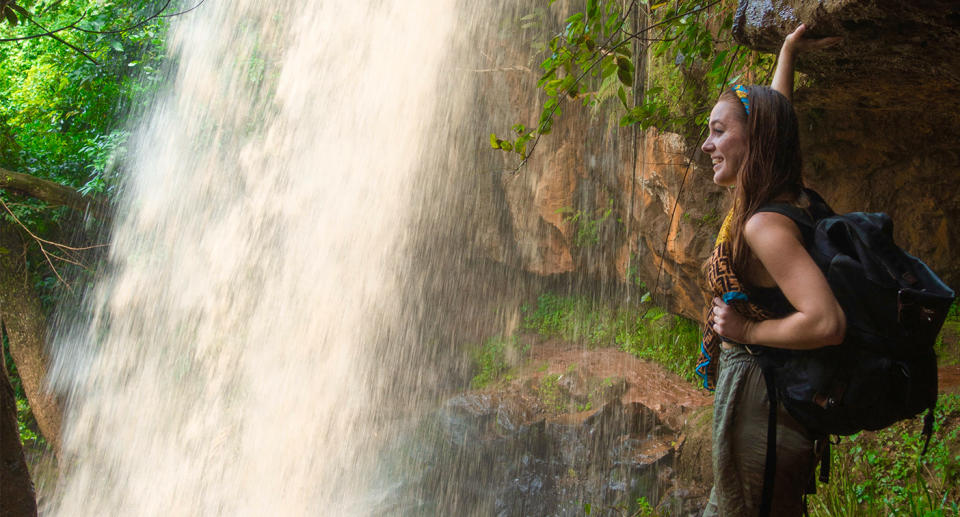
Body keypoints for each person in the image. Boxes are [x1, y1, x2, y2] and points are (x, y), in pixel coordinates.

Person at [697, 25, 843, 517]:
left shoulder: (763, 225)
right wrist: (786, 52)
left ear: (756, 140)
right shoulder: (778, 193)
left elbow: (826, 322)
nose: (706, 144)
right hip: (772, 385)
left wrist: (747, 329)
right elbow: (772, 112)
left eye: (719, 130)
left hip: (763, 389)